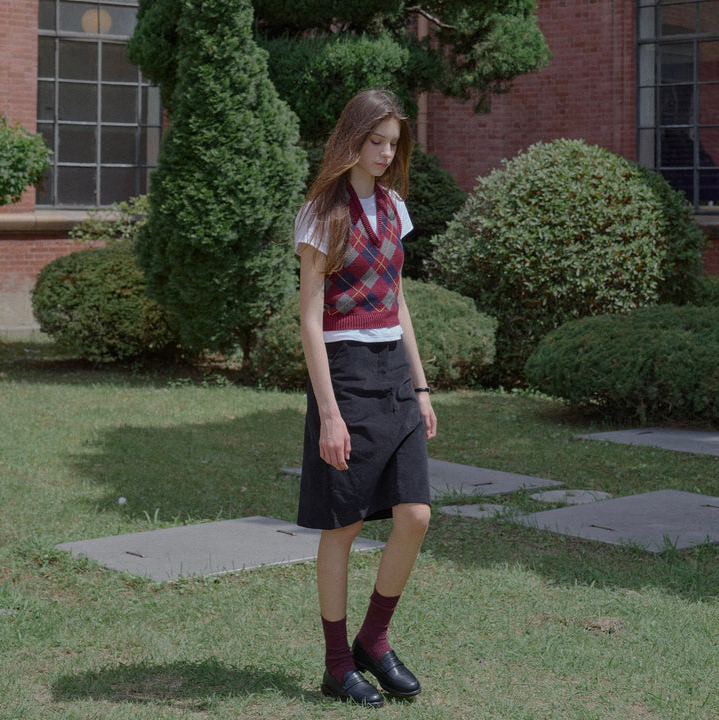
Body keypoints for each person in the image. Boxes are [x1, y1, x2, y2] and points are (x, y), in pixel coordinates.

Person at [294, 89, 437, 708]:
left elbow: (398, 301)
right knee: (345, 524)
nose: (384, 153)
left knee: (416, 514)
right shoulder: (320, 214)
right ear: (352, 139)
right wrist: (329, 413)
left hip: (395, 375)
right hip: (346, 373)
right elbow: (309, 320)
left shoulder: (394, 207)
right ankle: (336, 663)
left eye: (392, 143)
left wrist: (421, 386)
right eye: (375, 141)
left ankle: (373, 641)